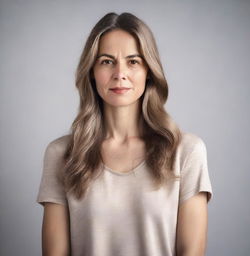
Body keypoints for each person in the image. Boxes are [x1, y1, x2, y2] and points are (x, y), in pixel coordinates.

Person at [36, 12, 213, 256]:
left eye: (133, 61)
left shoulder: (186, 152)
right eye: (107, 61)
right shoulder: (62, 154)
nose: (120, 73)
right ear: (91, 71)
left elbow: (191, 252)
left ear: (149, 70)